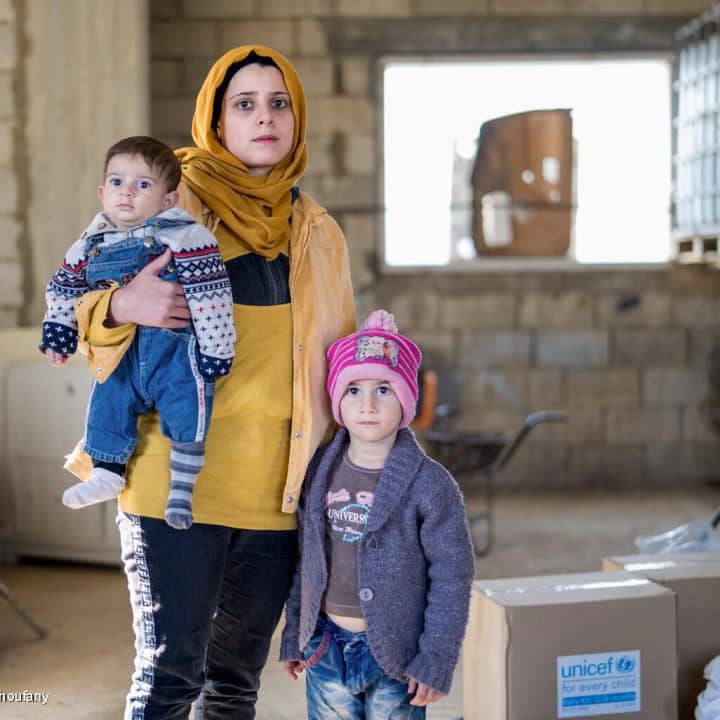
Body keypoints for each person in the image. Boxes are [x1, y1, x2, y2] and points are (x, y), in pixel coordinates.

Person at [65, 45, 356, 719]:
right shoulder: (162, 201)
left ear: (297, 119)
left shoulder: (319, 233)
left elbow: (335, 366)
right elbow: (73, 299)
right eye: (244, 104)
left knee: (234, 685)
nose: (264, 117)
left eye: (278, 103)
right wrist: (117, 306)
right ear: (215, 121)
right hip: (176, 481)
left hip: (274, 497)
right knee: (171, 676)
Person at [279, 310, 475, 719]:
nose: (367, 404)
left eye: (384, 389)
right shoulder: (318, 472)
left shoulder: (431, 485)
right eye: (353, 390)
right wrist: (296, 635)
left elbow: (453, 575)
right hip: (325, 649)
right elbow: (304, 559)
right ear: (337, 400)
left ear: (405, 399)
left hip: (398, 657)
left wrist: (435, 657)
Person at [41, 136, 235, 530]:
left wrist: (216, 349)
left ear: (168, 200)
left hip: (173, 351)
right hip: (121, 353)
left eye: (142, 184)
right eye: (116, 182)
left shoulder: (187, 237)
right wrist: (58, 330)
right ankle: (106, 473)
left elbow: (211, 295)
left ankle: (182, 488)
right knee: (106, 404)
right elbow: (64, 289)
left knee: (189, 404)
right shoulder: (88, 245)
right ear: (101, 192)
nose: (126, 192)